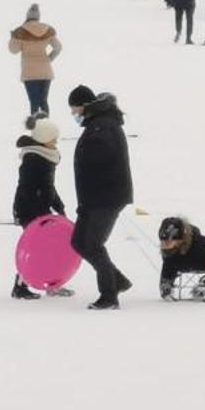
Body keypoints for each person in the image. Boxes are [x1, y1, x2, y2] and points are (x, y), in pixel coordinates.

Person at [67, 85, 132, 309]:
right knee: (78, 242)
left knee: (93, 245)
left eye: (75, 109)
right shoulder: (97, 123)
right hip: (93, 197)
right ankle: (117, 280)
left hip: (107, 196)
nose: (74, 114)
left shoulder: (103, 125)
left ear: (85, 105)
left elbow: (100, 160)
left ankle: (109, 296)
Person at [11, 116, 64, 300]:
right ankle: (20, 287)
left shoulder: (46, 156)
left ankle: (52, 283)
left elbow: (48, 186)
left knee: (51, 248)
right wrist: (39, 216)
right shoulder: (33, 160)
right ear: (42, 140)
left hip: (41, 210)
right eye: (53, 139)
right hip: (29, 211)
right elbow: (27, 190)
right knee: (35, 249)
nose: (56, 142)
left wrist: (59, 206)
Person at [9, 2, 61, 117]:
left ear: (27, 16)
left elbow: (13, 50)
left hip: (29, 72)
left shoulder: (20, 31)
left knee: (34, 102)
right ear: (38, 16)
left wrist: (13, 38)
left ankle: (37, 130)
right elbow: (58, 47)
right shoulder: (47, 29)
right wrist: (49, 59)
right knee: (43, 101)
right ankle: (47, 128)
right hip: (46, 71)